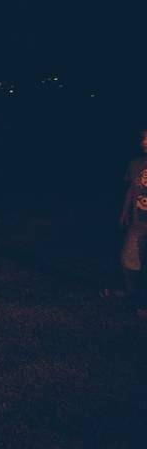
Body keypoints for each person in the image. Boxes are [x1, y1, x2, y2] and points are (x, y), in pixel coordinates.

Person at [104, 129, 147, 316]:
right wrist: (124, 212)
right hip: (139, 219)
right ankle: (131, 292)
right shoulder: (136, 164)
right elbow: (131, 189)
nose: (144, 141)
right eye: (143, 138)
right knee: (128, 260)